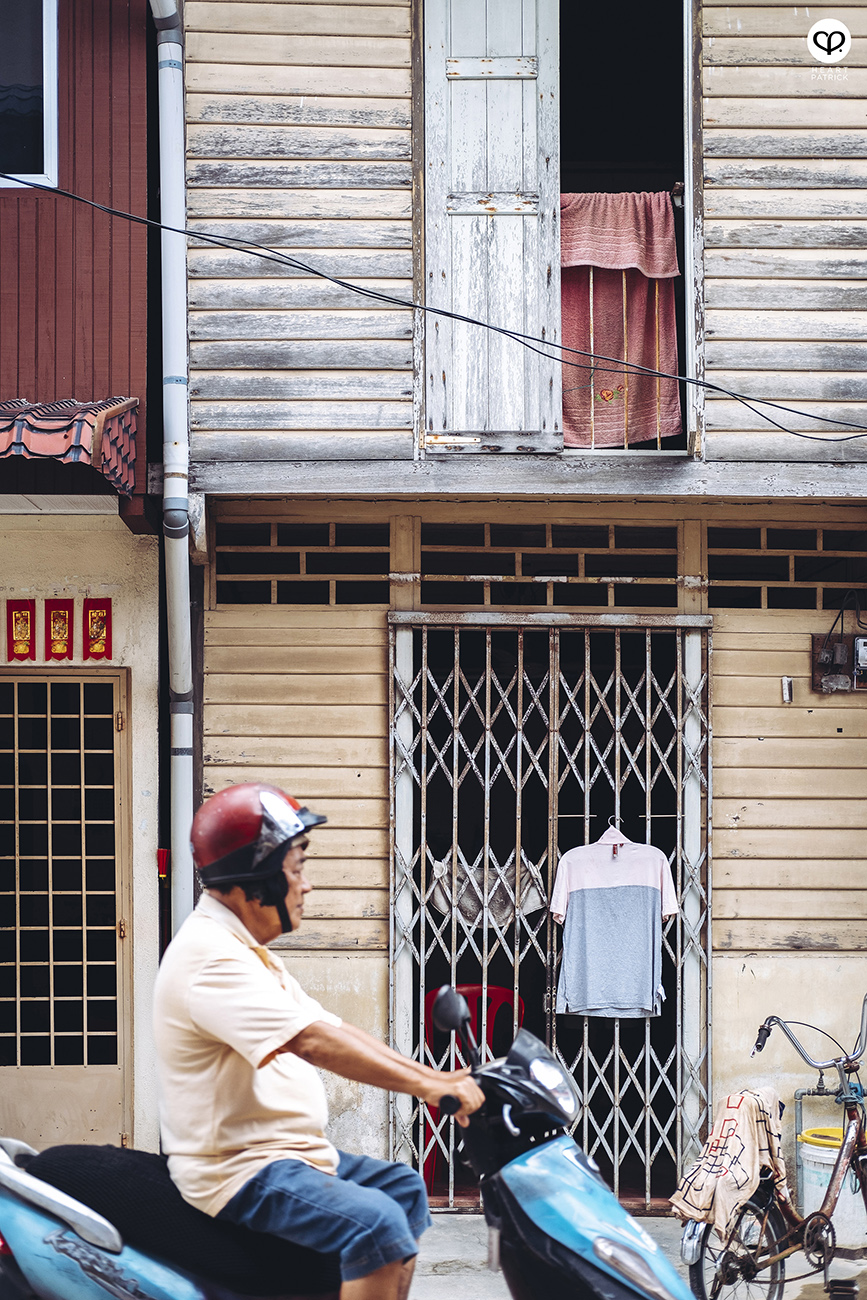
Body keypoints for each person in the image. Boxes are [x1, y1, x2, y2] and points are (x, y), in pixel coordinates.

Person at [153, 782, 484, 1300]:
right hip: (241, 1169)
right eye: (296, 869)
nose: (306, 887)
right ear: (256, 880)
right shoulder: (210, 959)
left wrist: (440, 1079)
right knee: (375, 1224)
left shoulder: (247, 953)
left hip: (289, 1154)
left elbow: (333, 1029)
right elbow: (313, 1043)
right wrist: (428, 1089)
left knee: (403, 1188)